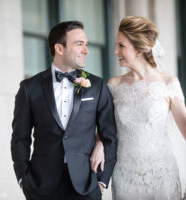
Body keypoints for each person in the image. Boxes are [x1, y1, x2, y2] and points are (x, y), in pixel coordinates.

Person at [90, 16, 186, 199]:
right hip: (125, 177)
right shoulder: (114, 85)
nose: (115, 51)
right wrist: (99, 143)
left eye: (121, 46)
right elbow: (106, 127)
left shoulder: (168, 82)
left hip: (161, 175)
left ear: (138, 49)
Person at [11, 21, 117, 200]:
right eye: (79, 44)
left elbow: (110, 135)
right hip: (41, 187)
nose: (86, 50)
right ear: (59, 49)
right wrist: (23, 178)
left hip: (86, 186)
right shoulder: (30, 88)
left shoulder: (97, 86)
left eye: (86, 44)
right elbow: (20, 137)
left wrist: (101, 181)